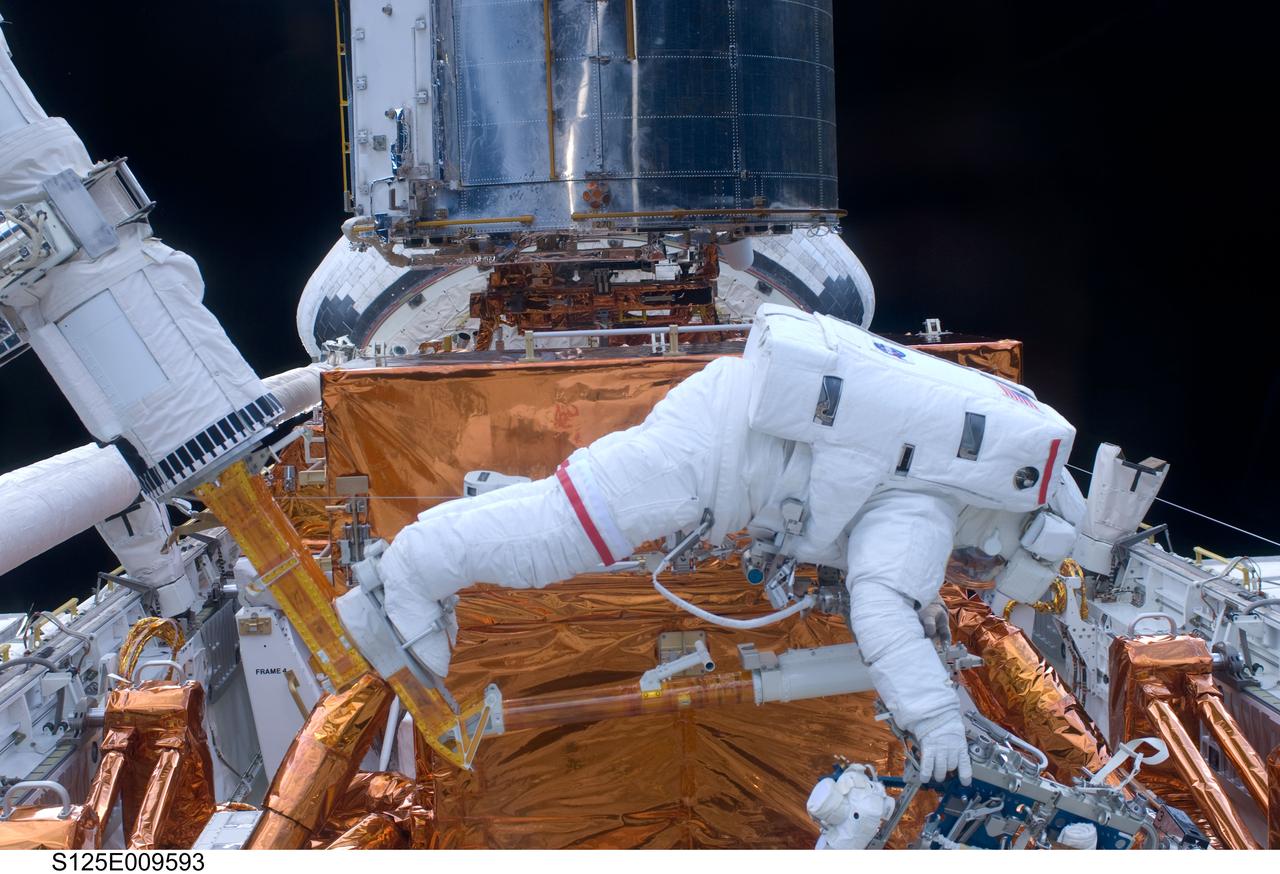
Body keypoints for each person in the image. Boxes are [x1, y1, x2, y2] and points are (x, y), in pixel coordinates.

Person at [358, 305, 1080, 786]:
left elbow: (885, 572)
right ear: (1004, 525)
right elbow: (883, 607)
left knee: (566, 513)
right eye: (985, 562)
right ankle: (414, 573)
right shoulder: (931, 507)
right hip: (712, 459)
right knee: (558, 537)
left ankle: (444, 552)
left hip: (720, 431)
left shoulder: (933, 479)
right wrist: (935, 719)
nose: (971, 568)